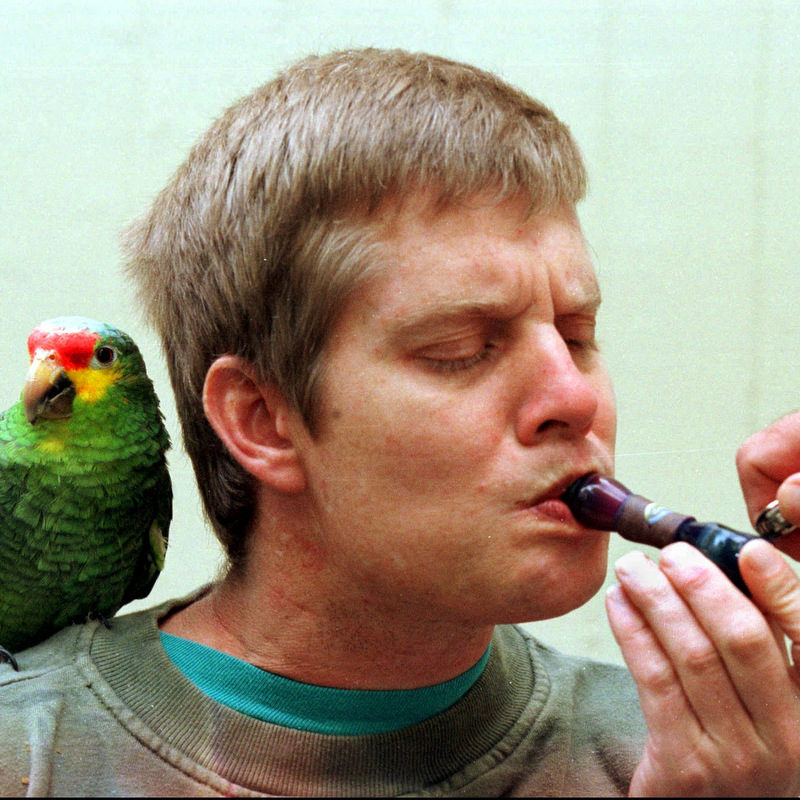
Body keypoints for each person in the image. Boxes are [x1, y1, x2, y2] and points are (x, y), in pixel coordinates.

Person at [2, 48, 800, 797]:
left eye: (578, 334)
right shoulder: (28, 756)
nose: (577, 397)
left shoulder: (726, 753)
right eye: (460, 349)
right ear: (264, 421)